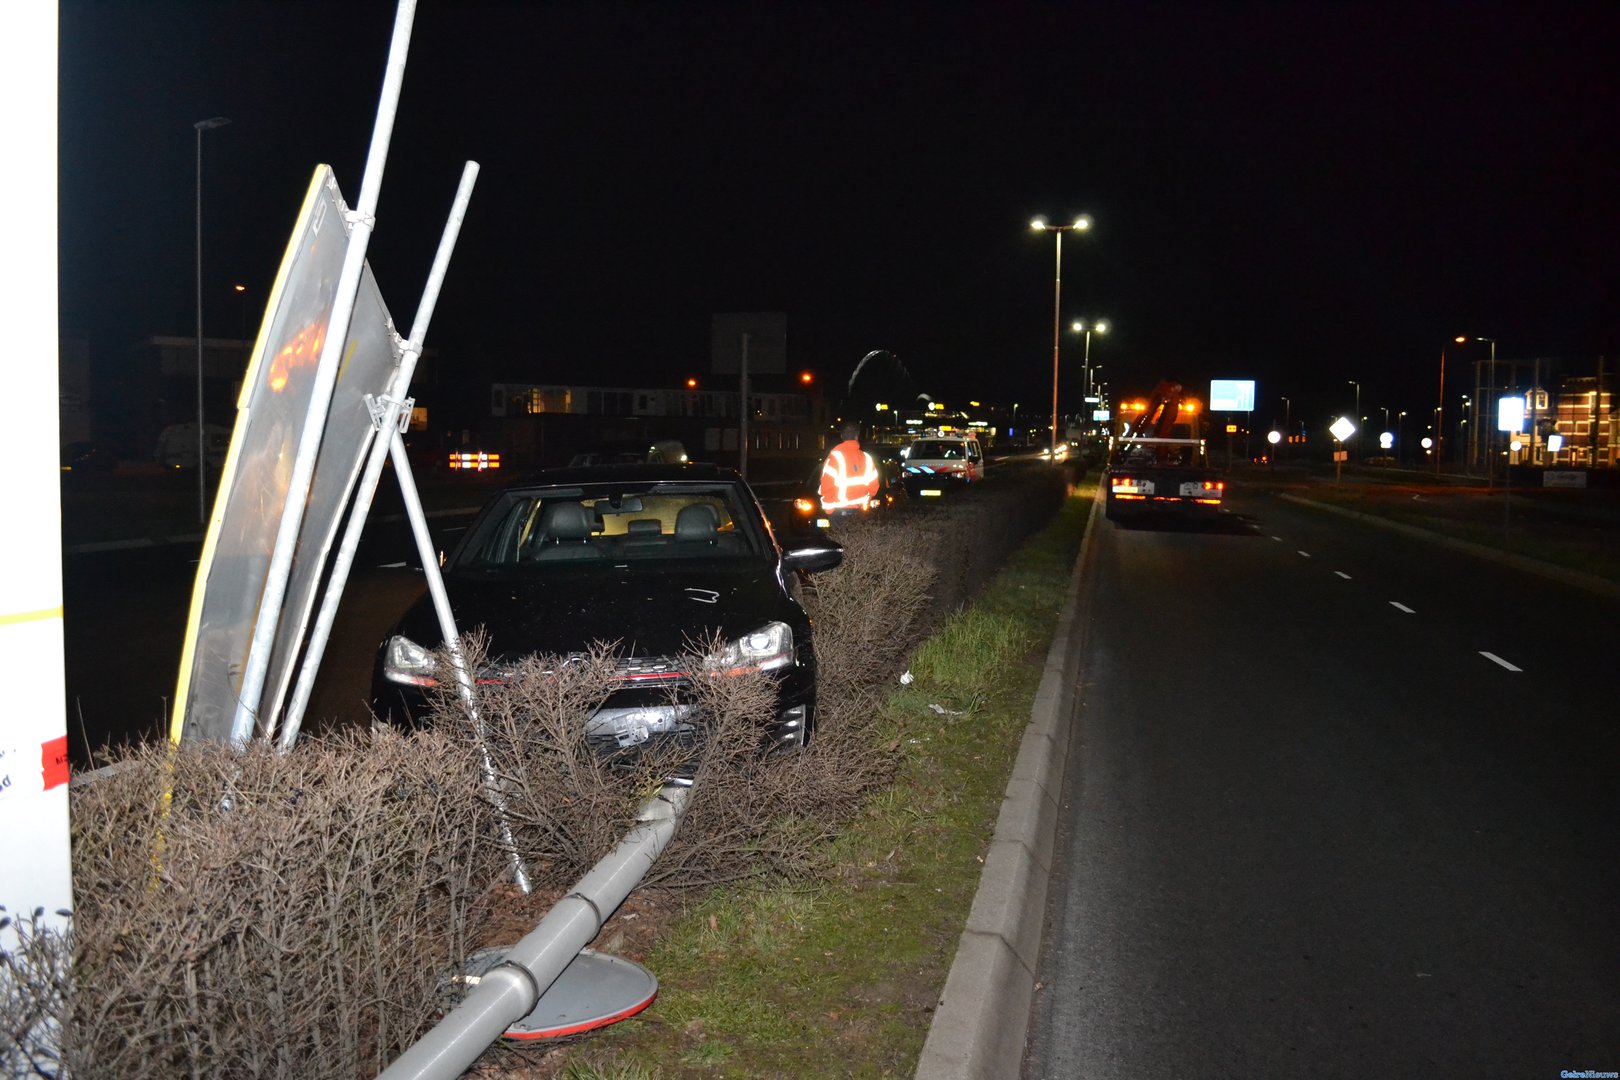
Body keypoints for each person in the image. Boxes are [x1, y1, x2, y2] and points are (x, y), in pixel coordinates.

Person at [819, 423, 880, 514]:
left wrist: (829, 509)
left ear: (842, 436)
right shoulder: (866, 458)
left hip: (839, 511)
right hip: (860, 511)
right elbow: (874, 486)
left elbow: (826, 485)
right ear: (857, 435)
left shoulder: (834, 457)